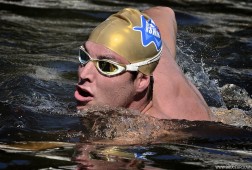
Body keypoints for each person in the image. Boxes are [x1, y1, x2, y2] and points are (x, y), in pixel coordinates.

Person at [74, 6, 211, 121]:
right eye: (84, 56)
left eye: (107, 66)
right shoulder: (149, 46)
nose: (84, 73)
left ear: (142, 80)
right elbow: (163, 12)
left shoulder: (162, 127)